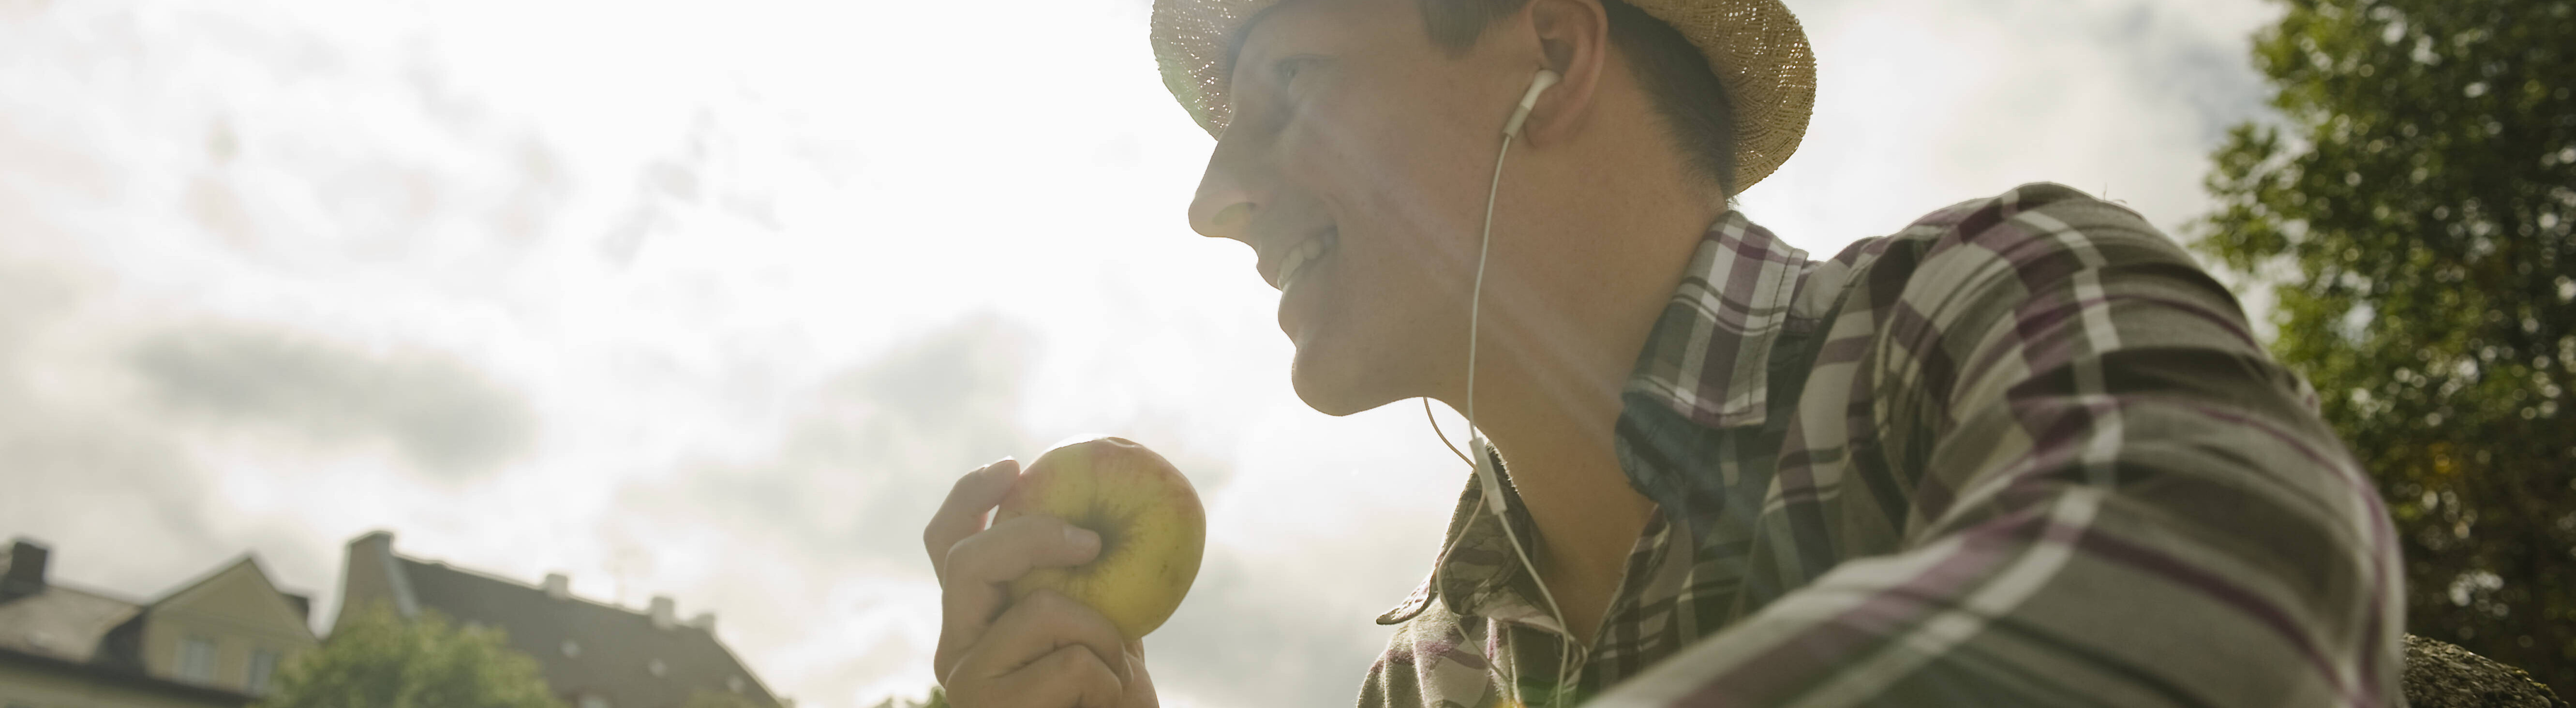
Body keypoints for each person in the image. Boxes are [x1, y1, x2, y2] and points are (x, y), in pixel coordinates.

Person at [923, 0, 2408, 705]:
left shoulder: (1987, 297)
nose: (1210, 199)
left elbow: (2235, 581)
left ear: (1549, 61)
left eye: (1287, 91)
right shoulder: (1428, 683)